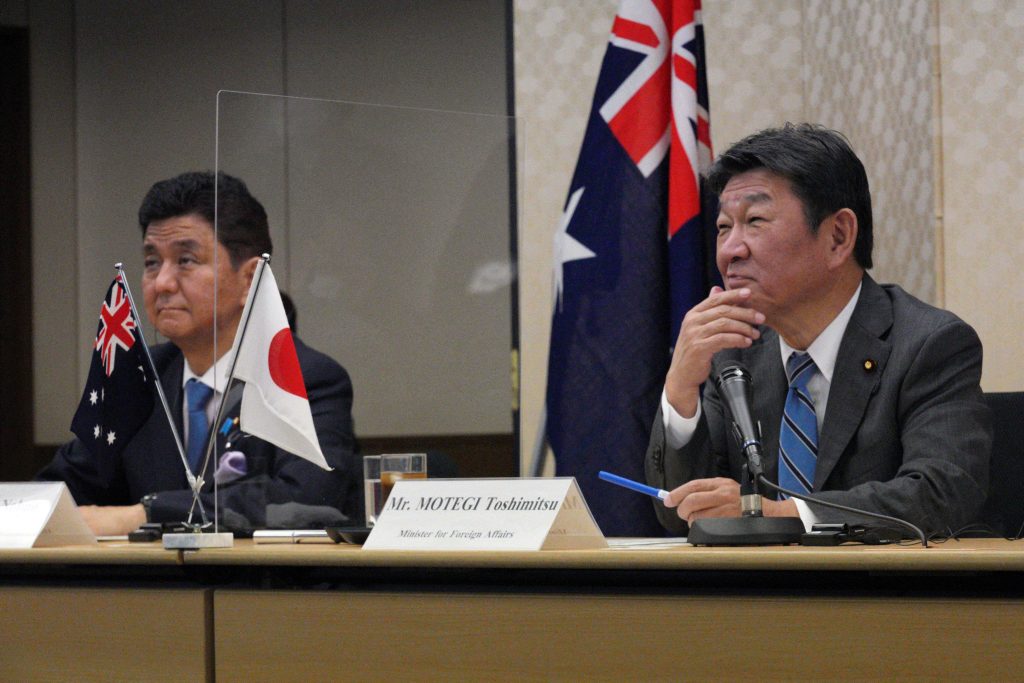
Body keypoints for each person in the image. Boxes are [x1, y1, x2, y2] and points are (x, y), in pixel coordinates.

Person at [645, 123, 991, 536]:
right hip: (756, 598)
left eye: (755, 220)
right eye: (723, 227)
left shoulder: (929, 344)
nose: (730, 250)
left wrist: (782, 514)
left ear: (838, 237)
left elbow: (941, 495)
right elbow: (678, 510)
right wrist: (680, 390)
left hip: (887, 596)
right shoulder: (735, 353)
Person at [38, 171, 360, 535]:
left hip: (256, 589)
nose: (162, 283)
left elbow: (307, 501)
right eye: (151, 263)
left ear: (251, 278)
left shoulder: (306, 379)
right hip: (149, 589)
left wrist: (145, 515)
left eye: (186, 260)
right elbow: (55, 493)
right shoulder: (139, 378)